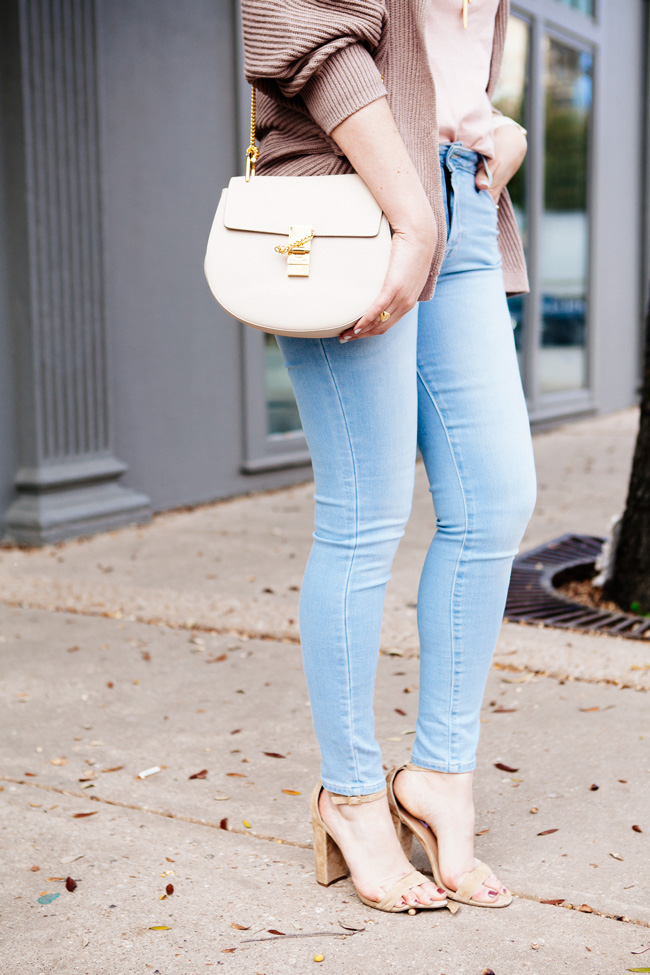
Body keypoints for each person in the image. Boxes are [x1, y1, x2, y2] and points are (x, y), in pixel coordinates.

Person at [241, 0, 537, 913]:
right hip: (359, 193)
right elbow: (293, 25)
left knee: (494, 498)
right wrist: (412, 215)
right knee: (366, 513)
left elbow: (446, 59)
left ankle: (439, 776)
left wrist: (497, 127)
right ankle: (354, 795)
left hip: (462, 192)